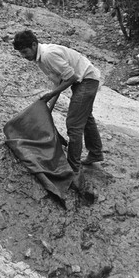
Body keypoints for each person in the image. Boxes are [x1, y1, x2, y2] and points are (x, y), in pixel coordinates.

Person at [12, 30, 104, 185]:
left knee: (74, 124)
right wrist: (49, 108)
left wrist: (50, 96)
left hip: (87, 80)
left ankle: (73, 169)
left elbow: (72, 77)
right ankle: (95, 153)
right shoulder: (40, 59)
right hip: (84, 79)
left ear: (34, 45)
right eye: (21, 53)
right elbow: (59, 81)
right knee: (85, 118)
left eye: (25, 51)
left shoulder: (48, 55)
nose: (24, 56)